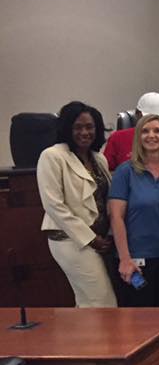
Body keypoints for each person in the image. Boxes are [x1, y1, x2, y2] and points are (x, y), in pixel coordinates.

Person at [36, 101, 117, 308]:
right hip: (70, 240)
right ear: (67, 129)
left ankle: (84, 341)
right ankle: (101, 341)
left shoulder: (99, 159)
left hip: (100, 240)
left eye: (89, 127)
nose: (84, 132)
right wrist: (91, 239)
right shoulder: (52, 156)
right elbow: (54, 206)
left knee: (87, 302)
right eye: (78, 127)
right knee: (102, 301)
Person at [108, 114, 159, 307]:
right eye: (145, 131)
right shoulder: (125, 172)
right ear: (138, 137)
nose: (151, 135)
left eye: (157, 130)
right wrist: (125, 259)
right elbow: (116, 217)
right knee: (141, 319)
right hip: (137, 261)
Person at [102, 92, 159, 171]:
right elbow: (106, 174)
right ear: (137, 115)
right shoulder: (118, 138)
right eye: (148, 120)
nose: (152, 136)